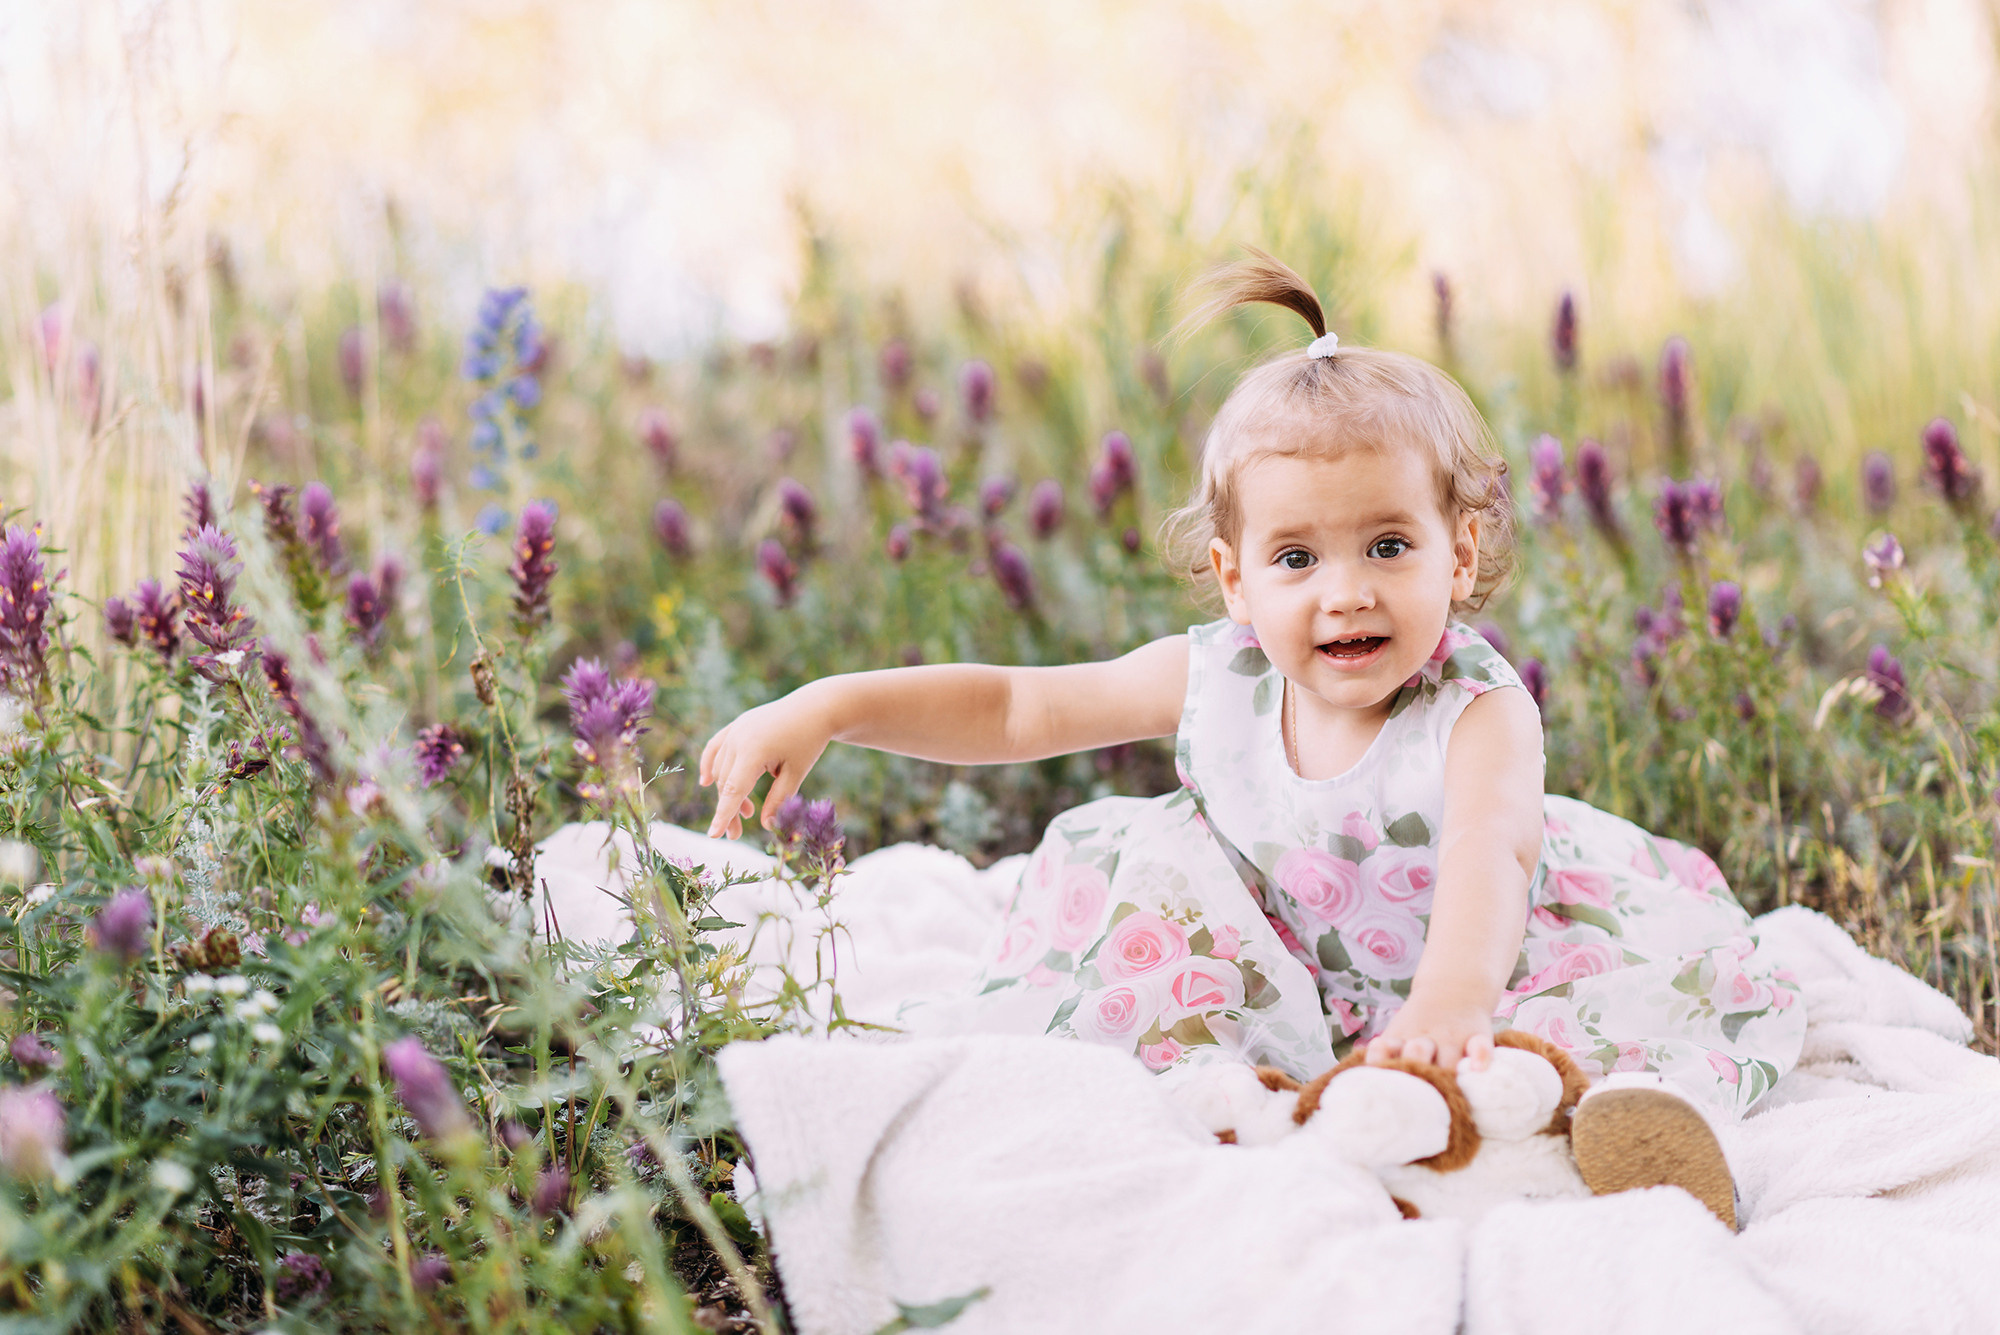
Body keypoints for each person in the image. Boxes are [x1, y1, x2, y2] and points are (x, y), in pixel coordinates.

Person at [698, 252, 1803, 1223]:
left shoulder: (1475, 711)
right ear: (1232, 579)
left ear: (1457, 557)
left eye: (1386, 546)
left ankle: (1601, 1145)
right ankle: (1267, 1106)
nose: (1343, 595)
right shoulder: (1215, 680)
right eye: (1294, 559)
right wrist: (830, 704)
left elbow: (1489, 854)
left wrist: (1447, 1006)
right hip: (1285, 969)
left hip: (1477, 958)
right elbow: (1014, 707)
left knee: (1562, 1031)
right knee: (1141, 892)